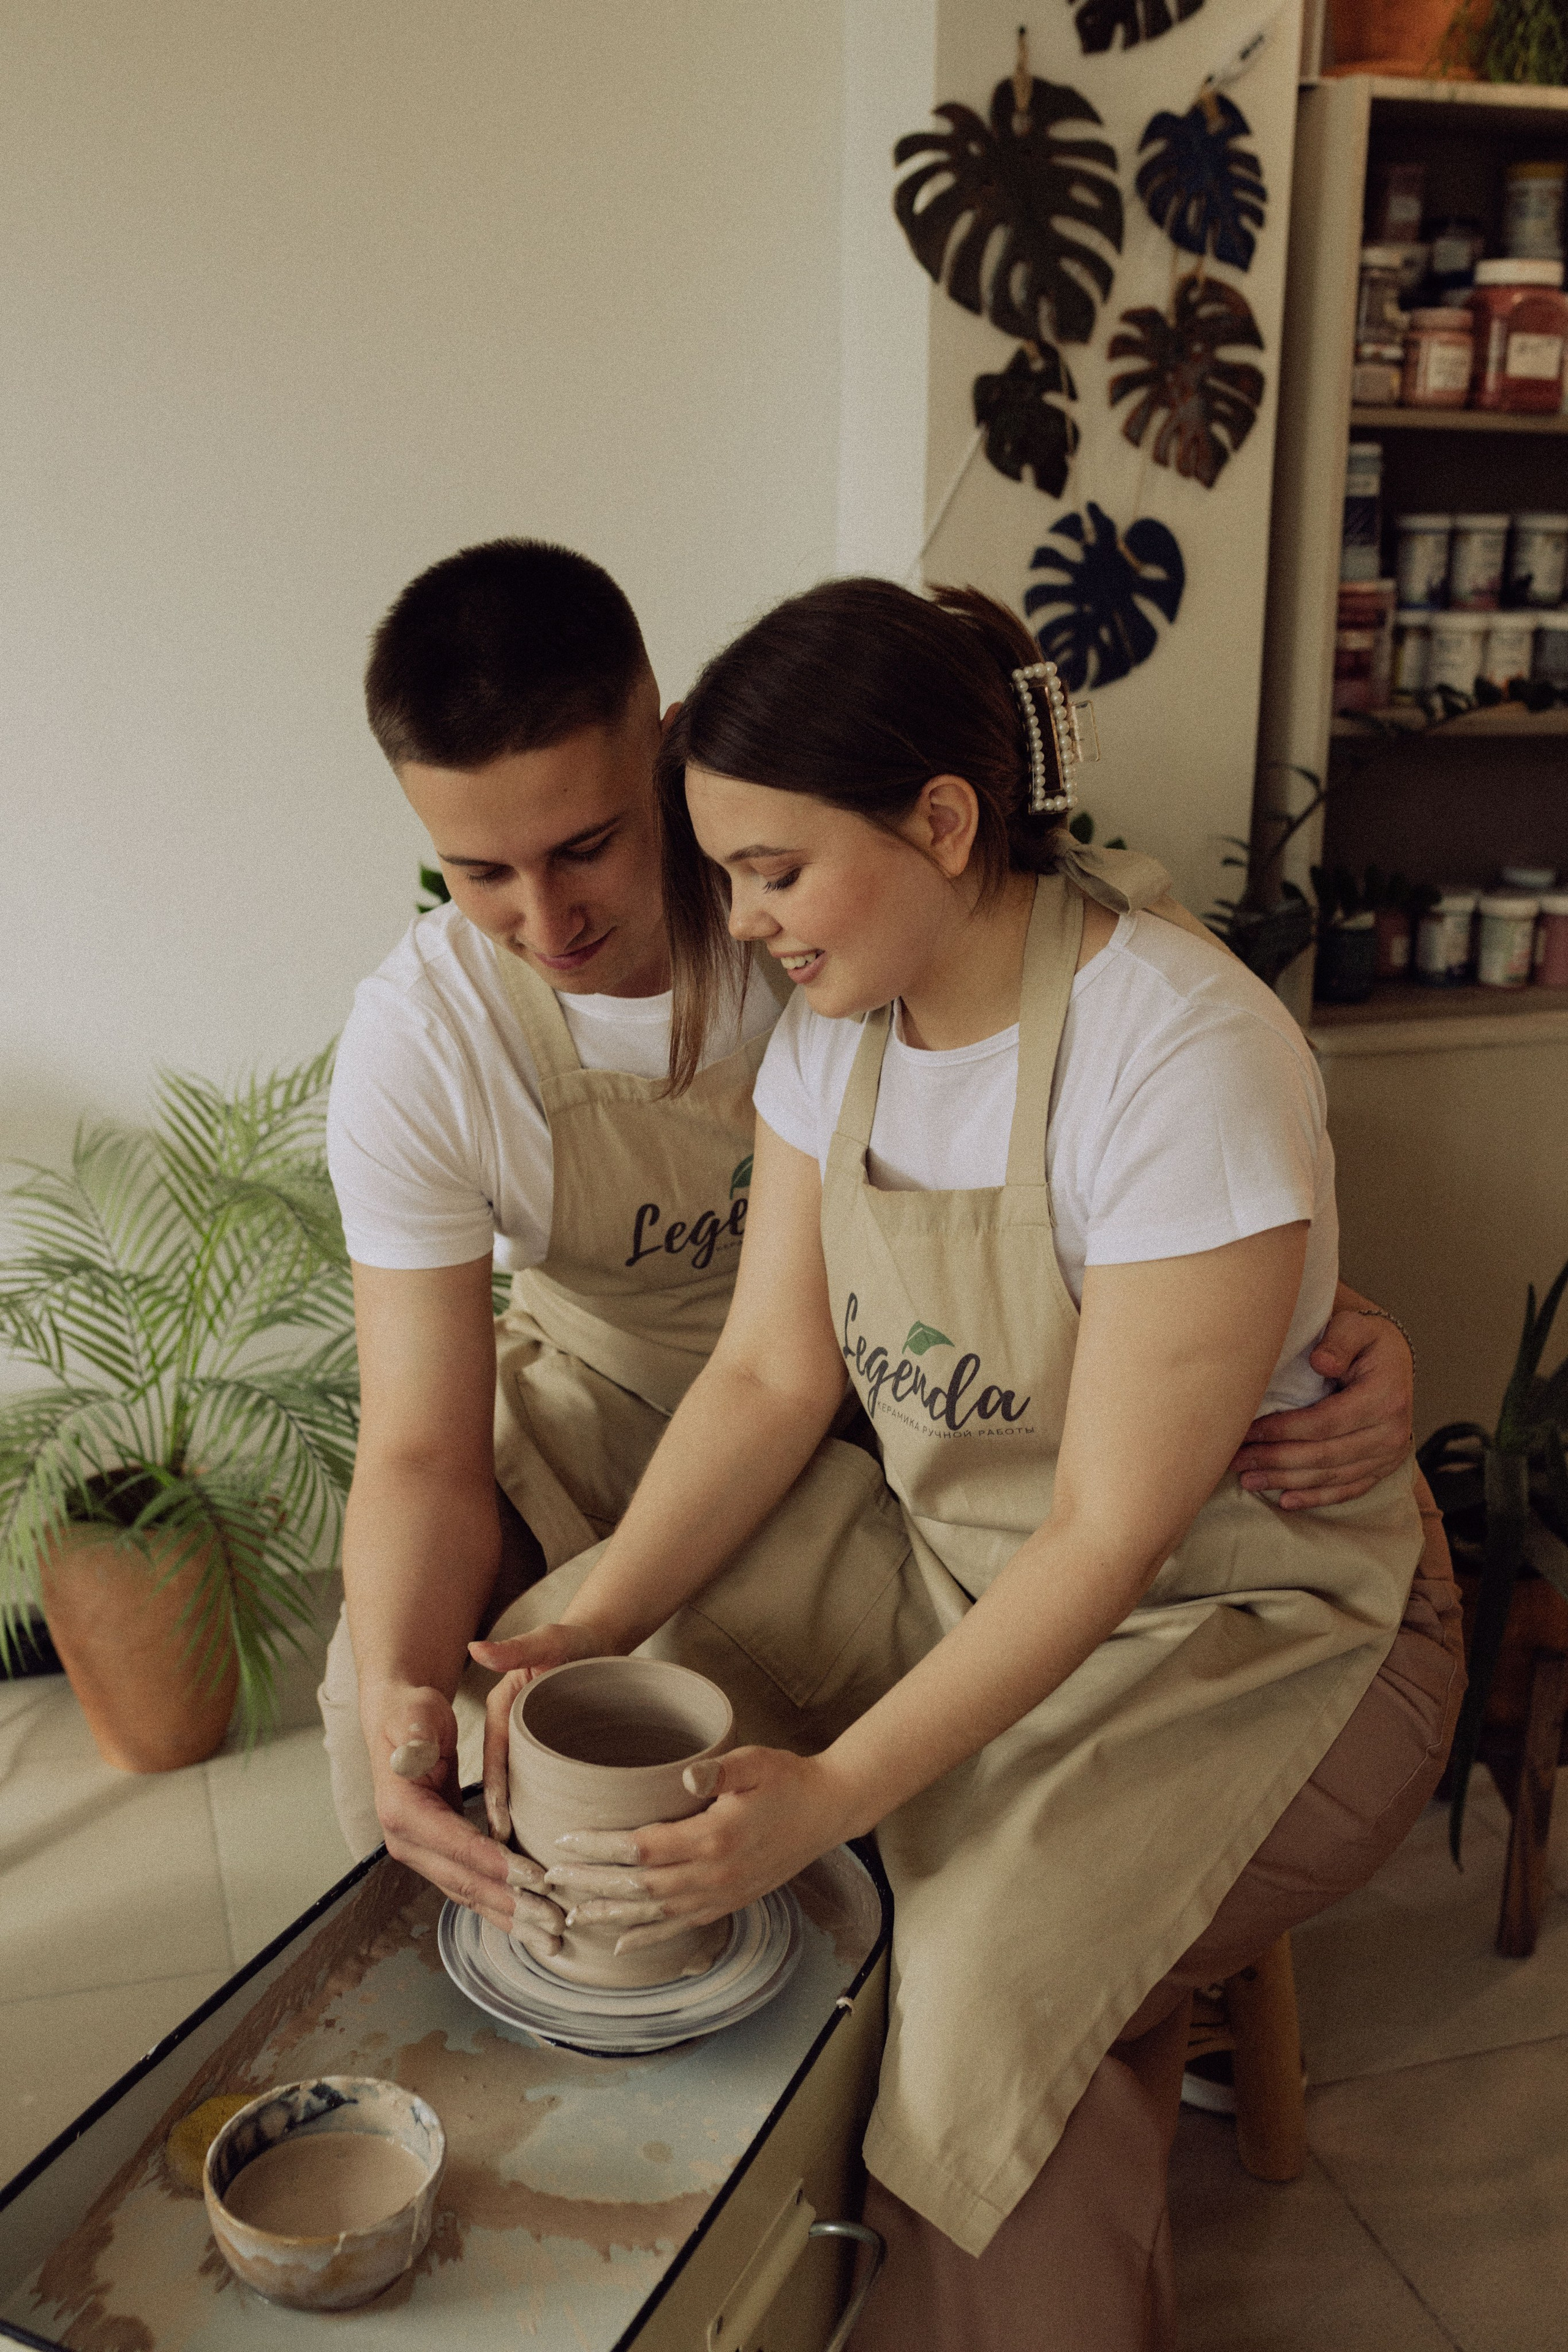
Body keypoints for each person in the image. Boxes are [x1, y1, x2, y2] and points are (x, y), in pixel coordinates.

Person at [471, 579, 1463, 2350]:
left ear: (942, 821)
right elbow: (769, 1378)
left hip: (1246, 1616)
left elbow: (1107, 1537)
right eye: (729, 874)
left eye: (775, 870)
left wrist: (832, 1794)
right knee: (610, 1660)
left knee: (994, 1974)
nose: (743, 920)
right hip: (972, 1568)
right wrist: (586, 1623)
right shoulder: (842, 1026)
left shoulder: (1181, 1055)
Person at [322, 537, 1419, 1929]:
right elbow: (429, 1444)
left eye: (587, 846)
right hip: (658, 1395)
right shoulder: (435, 1038)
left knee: (887, 1853)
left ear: (668, 750)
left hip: (893, 1425)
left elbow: (1165, 1154)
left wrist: (1334, 1319)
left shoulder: (852, 913)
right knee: (419, 1716)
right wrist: (409, 1685)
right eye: (479, 872)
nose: (545, 922)